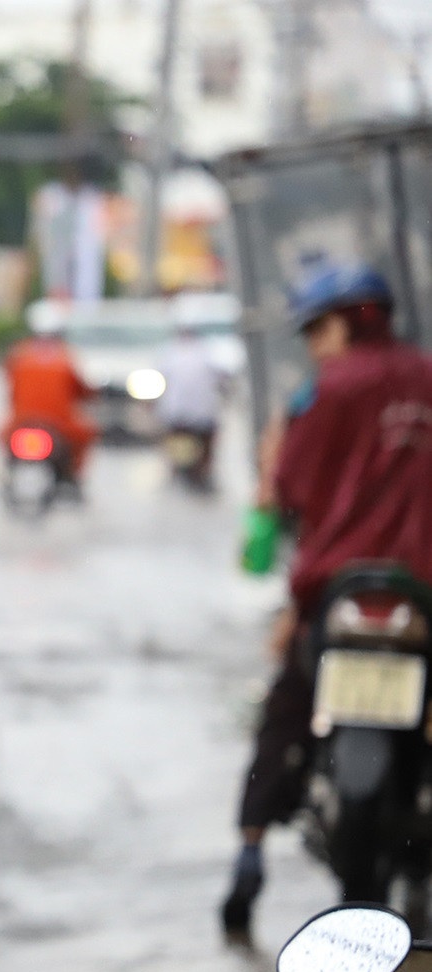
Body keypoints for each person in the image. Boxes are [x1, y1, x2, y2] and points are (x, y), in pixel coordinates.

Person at [222, 265, 432, 932]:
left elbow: (283, 495)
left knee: (282, 710)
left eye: (318, 328)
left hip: (334, 596)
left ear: (352, 320)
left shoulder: (319, 393)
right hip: (421, 599)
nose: (313, 344)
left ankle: (247, 857)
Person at [2, 322, 98, 478]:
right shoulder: (66, 357)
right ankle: (73, 475)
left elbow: (10, 387)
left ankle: (6, 474)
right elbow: (81, 390)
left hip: (22, 421)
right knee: (87, 434)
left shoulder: (19, 354)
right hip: (59, 423)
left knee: (1, 437)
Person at [156, 321, 230, 489]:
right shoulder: (206, 354)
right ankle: (202, 467)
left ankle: (181, 467)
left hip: (175, 415)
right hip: (201, 416)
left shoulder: (170, 353)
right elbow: (222, 378)